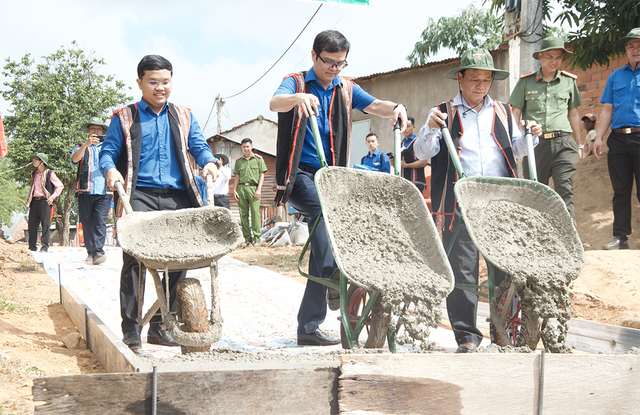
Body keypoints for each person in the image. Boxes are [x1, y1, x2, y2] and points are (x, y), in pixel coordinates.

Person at [270, 29, 408, 346]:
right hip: (300, 174)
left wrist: (396, 107)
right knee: (322, 209)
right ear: (314, 56)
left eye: (340, 63)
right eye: (329, 61)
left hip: (333, 176)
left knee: (322, 245)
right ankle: (335, 274)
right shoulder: (296, 81)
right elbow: (275, 103)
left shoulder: (346, 89)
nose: (334, 68)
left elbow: (376, 106)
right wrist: (297, 99)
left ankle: (308, 327)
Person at [413, 48, 542, 353]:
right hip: (459, 200)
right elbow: (420, 153)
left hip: (499, 200)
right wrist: (431, 128)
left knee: (506, 269)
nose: (481, 85)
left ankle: (504, 333)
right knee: (463, 269)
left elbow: (516, 150)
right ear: (460, 78)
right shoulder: (442, 111)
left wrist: (531, 136)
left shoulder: (503, 111)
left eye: (486, 80)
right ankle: (467, 337)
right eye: (474, 79)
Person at [99, 55, 219, 351]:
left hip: (178, 196)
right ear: (140, 82)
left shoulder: (184, 115)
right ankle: (131, 328)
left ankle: (161, 325)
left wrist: (209, 162)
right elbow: (108, 151)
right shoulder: (124, 118)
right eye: (153, 82)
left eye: (165, 82)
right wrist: (109, 169)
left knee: (179, 258)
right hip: (139, 194)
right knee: (136, 261)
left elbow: (199, 146)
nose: (160, 88)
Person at [508, 37, 582, 223]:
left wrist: (579, 144)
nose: (554, 61)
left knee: (565, 190)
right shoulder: (525, 83)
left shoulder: (568, 82)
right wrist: (515, 143)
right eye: (550, 56)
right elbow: (514, 114)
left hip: (564, 143)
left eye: (558, 57)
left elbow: (573, 114)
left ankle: (568, 238)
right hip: (535, 144)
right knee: (536, 192)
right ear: (540, 56)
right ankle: (538, 240)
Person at [593, 28, 640, 250]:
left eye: (639, 45)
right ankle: (620, 237)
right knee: (620, 190)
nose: (635, 49)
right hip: (618, 140)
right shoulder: (615, 77)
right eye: (630, 46)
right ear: (626, 50)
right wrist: (599, 138)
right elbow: (607, 110)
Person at [72, 119, 111, 265]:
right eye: (92, 128)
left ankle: (99, 251)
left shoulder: (108, 147)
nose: (95, 131)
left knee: (100, 222)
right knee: (86, 222)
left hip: (104, 191)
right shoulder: (80, 146)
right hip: (85, 190)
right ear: (88, 131)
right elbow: (75, 159)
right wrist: (86, 145)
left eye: (99, 129)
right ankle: (91, 251)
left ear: (103, 132)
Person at [25, 153, 64, 253]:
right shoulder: (34, 173)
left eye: (36, 159)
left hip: (45, 201)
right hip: (34, 201)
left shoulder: (49, 173)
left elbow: (60, 186)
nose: (33, 161)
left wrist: (52, 196)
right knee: (32, 224)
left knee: (45, 224)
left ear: (41, 162)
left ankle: (44, 247)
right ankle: (32, 247)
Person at [232, 138, 267, 247]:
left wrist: (259, 190)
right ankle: (247, 238)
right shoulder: (238, 161)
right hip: (242, 189)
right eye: (244, 147)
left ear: (251, 146)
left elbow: (262, 174)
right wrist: (234, 190)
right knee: (243, 214)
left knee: (255, 214)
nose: (246, 149)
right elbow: (237, 176)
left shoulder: (258, 159)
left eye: (248, 146)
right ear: (241, 148)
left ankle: (257, 238)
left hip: (254, 189)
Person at [401, 116, 429, 191]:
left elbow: (423, 162)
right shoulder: (401, 143)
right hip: (403, 183)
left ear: (414, 127)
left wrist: (407, 165)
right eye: (403, 126)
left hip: (416, 182)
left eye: (408, 126)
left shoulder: (419, 141)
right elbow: (401, 164)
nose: (405, 129)